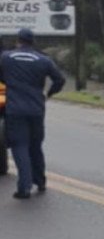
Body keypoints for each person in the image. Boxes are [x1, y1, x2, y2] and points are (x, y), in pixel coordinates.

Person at [0, 28, 65, 199]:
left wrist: (8, 82)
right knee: (35, 146)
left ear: (18, 41)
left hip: (15, 110)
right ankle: (41, 181)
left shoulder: (6, 58)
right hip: (36, 109)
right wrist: (49, 93)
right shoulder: (44, 60)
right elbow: (60, 80)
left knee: (20, 146)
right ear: (32, 41)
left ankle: (24, 188)